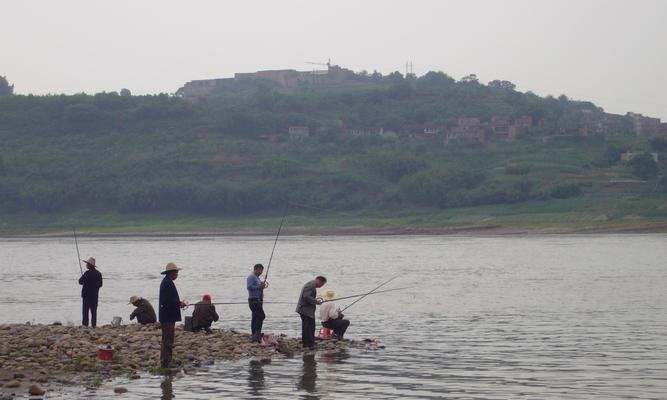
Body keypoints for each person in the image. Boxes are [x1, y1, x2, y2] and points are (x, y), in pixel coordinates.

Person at [159, 262, 187, 368]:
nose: (177, 274)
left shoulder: (167, 282)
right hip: (167, 316)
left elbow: (170, 300)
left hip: (167, 315)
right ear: (172, 273)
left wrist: (178, 303)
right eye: (176, 272)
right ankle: (166, 361)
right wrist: (179, 303)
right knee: (168, 338)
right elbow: (169, 301)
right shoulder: (167, 283)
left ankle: (165, 360)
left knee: (166, 338)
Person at [296, 276, 327, 348]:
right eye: (322, 284)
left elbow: (308, 296)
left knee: (308, 327)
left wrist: (315, 301)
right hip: (305, 310)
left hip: (306, 310)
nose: (321, 286)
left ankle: (308, 343)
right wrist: (315, 301)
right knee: (309, 327)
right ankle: (308, 344)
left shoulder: (311, 284)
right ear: (319, 281)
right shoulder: (311, 285)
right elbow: (306, 296)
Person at [78, 257, 103, 327]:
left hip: (86, 295)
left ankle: (85, 325)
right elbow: (101, 284)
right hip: (95, 295)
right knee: (94, 311)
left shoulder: (87, 273)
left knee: (85, 311)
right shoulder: (99, 273)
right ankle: (94, 325)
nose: (86, 265)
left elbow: (80, 282)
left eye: (87, 264)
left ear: (89, 265)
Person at [247, 263, 268, 342]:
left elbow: (258, 287)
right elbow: (249, 287)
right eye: (259, 270)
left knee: (255, 316)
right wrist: (259, 287)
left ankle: (254, 334)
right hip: (254, 300)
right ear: (255, 269)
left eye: (261, 270)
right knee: (261, 316)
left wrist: (261, 286)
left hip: (258, 299)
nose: (260, 272)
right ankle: (257, 333)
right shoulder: (251, 277)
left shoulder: (257, 278)